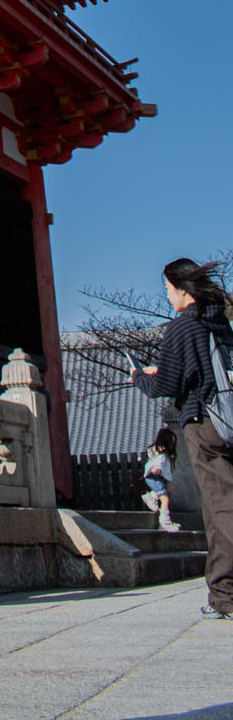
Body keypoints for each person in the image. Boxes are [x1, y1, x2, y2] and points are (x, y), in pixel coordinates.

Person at [129, 258, 233, 621]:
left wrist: (140, 377)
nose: (167, 295)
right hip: (230, 416)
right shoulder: (219, 322)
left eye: (168, 289)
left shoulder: (181, 327)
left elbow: (167, 385)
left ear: (183, 290)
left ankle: (225, 594)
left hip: (205, 423)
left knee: (220, 506)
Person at [141, 427, 181, 532]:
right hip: (154, 477)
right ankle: (165, 523)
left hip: (154, 477)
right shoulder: (163, 454)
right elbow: (158, 464)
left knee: (166, 490)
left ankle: (150, 496)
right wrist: (156, 469)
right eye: (171, 442)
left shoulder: (156, 451)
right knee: (165, 499)